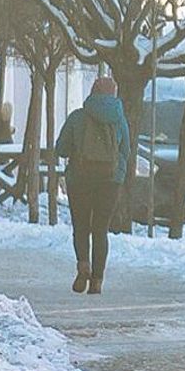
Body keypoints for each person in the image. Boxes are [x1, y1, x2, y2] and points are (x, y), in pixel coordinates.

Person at [55, 77, 131, 294]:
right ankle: (97, 280)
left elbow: (61, 148)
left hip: (80, 179)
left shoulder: (77, 117)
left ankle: (83, 265)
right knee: (100, 230)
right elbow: (126, 150)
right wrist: (118, 174)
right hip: (110, 181)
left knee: (81, 227)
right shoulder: (119, 120)